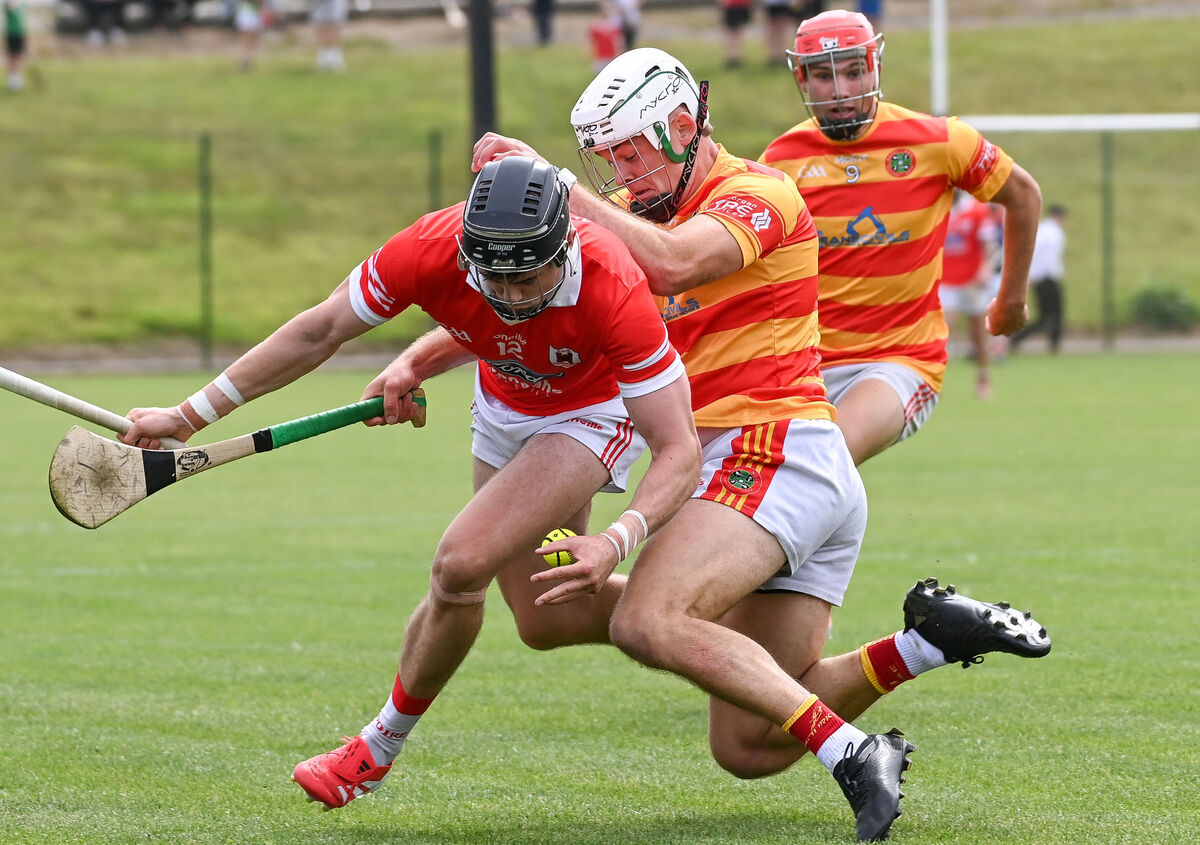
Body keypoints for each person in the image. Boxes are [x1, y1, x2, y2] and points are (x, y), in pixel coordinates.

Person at [476, 47, 1051, 842]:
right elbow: (535, 301)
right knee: (743, 742)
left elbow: (678, 266)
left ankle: (852, 753)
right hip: (758, 482)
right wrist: (413, 361)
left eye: (631, 153)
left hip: (770, 454)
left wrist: (559, 189)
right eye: (604, 161)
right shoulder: (637, 224)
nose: (620, 176)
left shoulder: (758, 192)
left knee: (649, 618)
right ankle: (926, 641)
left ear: (684, 127)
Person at [121, 156, 701, 814]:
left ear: (564, 245)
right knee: (546, 616)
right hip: (506, 408)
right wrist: (188, 415)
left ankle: (373, 749)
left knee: (460, 564)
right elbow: (321, 328)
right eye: (496, 277)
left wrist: (622, 538)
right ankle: (697, 615)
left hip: (591, 415)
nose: (511, 296)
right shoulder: (430, 248)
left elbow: (679, 447)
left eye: (527, 277)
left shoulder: (609, 279)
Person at [760, 9, 1043, 465]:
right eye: (823, 76)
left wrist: (1010, 299)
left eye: (854, 72)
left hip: (898, 362)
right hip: (802, 369)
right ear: (802, 78)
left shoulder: (938, 142)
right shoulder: (781, 161)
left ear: (876, 67)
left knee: (820, 462)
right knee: (764, 481)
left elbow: (1024, 195)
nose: (842, 91)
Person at [939, 190, 1001, 398]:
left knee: (978, 335)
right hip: (945, 280)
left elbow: (990, 244)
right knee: (942, 330)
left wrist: (985, 268)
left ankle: (983, 376)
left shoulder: (977, 210)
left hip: (971, 281)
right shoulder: (936, 205)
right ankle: (932, 384)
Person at [1010, 204, 1067, 354]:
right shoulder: (1052, 233)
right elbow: (1041, 256)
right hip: (1046, 277)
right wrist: (1034, 274)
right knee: (1052, 315)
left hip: (1043, 276)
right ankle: (1051, 343)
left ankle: (1052, 343)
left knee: (1049, 315)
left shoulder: (1045, 230)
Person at [310, 0, 347, 72]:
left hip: (334, 3)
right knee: (321, 27)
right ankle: (324, 58)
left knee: (334, 26)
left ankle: (335, 59)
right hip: (318, 4)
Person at [718, 0, 752, 68]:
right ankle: (731, 57)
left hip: (742, 4)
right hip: (730, 5)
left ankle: (737, 56)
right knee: (731, 32)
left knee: (739, 31)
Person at [2, 0, 24, 92]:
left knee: (18, 56)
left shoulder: (22, 3)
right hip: (10, 34)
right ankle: (12, 78)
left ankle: (17, 77)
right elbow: (11, 8)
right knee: (11, 56)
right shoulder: (8, 3)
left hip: (20, 33)